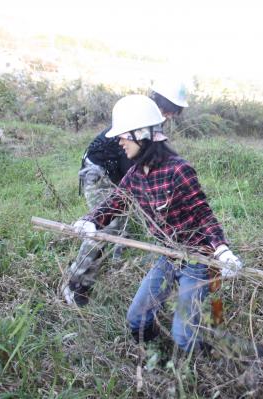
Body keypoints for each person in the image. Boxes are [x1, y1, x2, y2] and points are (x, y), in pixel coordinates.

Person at [72, 94, 242, 352]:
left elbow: (203, 214)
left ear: (142, 134)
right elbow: (116, 201)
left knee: (183, 335)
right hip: (167, 255)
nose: (119, 141)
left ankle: (200, 363)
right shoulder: (135, 174)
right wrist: (91, 221)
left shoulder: (178, 170)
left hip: (197, 260)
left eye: (124, 136)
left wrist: (221, 249)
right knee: (136, 319)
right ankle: (156, 357)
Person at [62, 81, 189, 306]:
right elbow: (131, 169)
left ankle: (112, 258)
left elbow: (151, 159)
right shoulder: (137, 114)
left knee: (120, 222)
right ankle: (74, 282)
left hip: (119, 172)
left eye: (173, 112)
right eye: (169, 109)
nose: (170, 116)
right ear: (161, 102)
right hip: (99, 171)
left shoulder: (153, 121)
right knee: (105, 227)